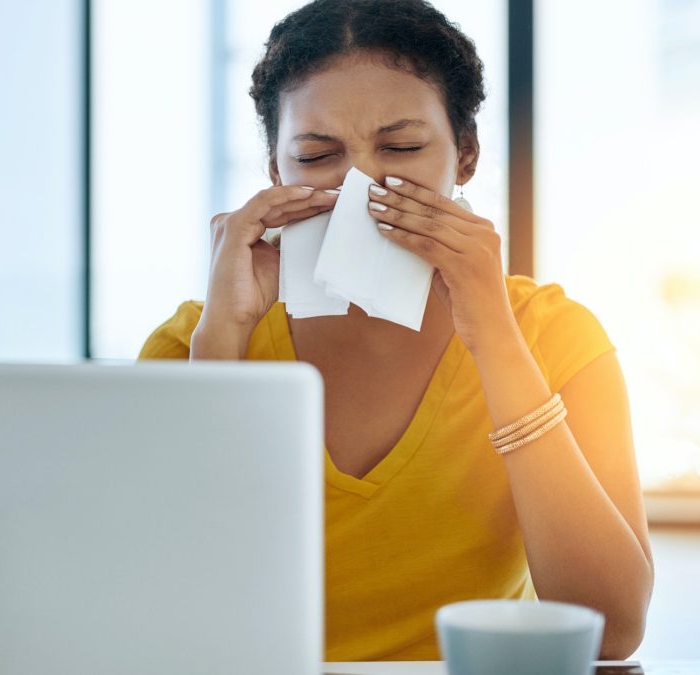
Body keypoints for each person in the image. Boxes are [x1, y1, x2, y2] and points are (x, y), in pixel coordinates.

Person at [138, 0, 653, 662]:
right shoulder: (191, 344)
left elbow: (611, 628)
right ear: (275, 172)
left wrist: (494, 336)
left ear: (465, 156)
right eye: (317, 154)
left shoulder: (555, 336)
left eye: (403, 147)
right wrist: (224, 340)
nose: (361, 184)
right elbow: (164, 605)